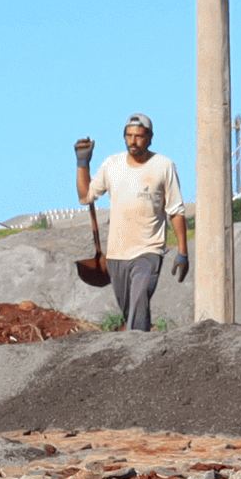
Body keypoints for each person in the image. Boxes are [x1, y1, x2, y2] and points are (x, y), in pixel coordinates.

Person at [74, 113, 188, 331]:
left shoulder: (163, 166)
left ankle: (135, 346)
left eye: (139, 136)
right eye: (129, 136)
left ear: (150, 138)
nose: (133, 141)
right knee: (132, 311)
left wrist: (183, 252)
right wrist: (82, 164)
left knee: (139, 298)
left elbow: (175, 211)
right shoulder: (112, 164)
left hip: (149, 250)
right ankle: (143, 345)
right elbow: (85, 196)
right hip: (117, 254)